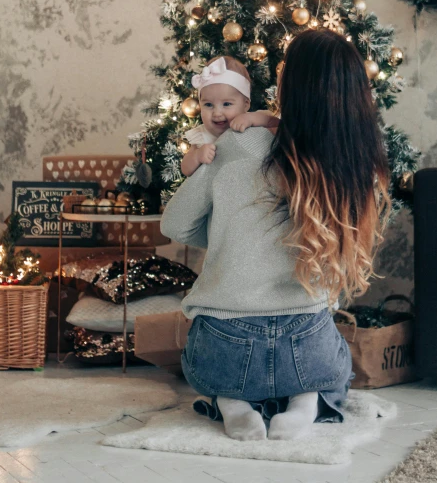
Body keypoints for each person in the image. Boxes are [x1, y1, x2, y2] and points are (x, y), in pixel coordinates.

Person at [161, 30, 390, 441]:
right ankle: (306, 403)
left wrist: (228, 235)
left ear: (292, 87)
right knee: (334, 366)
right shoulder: (350, 165)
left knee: (206, 365)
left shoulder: (239, 140)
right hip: (306, 346)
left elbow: (175, 226)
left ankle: (232, 403)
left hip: (226, 343)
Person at [181, 55, 279, 177]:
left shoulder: (254, 119)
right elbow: (185, 169)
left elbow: (279, 127)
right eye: (208, 105)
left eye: (226, 104)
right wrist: (197, 156)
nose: (217, 113)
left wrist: (252, 119)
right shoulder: (203, 136)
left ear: (246, 104)